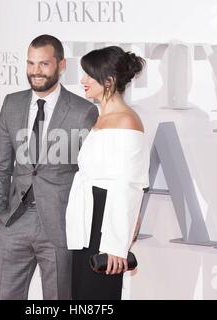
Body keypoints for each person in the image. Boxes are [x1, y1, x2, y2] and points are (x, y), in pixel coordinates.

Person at [0, 34, 99, 300]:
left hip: (59, 225)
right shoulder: (11, 104)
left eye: (44, 64)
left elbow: (90, 175)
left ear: (61, 65)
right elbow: (1, 165)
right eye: (30, 63)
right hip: (14, 221)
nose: (35, 71)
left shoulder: (83, 111)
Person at [65, 46, 150, 300]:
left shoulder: (127, 121)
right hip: (87, 219)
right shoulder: (100, 118)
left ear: (109, 80)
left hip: (105, 222)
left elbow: (128, 186)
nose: (83, 81)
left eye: (89, 75)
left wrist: (116, 245)